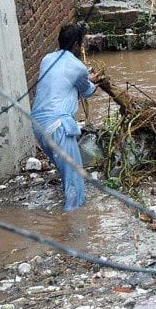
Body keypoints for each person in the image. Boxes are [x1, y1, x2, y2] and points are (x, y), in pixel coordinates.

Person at [31, 23, 101, 211]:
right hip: (58, 125)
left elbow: (61, 81)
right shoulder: (78, 67)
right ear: (77, 44)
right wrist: (92, 80)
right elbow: (86, 91)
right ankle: (73, 226)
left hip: (38, 126)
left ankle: (66, 217)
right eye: (82, 44)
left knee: (65, 171)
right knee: (74, 180)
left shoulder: (47, 59)